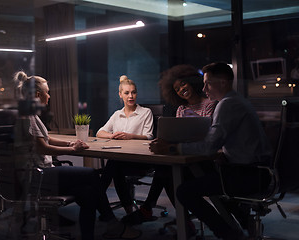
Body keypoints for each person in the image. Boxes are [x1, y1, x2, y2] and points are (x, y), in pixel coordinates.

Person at [149, 62, 272, 240]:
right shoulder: (236, 101)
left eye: (208, 83)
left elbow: (208, 146)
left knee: (184, 191)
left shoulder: (226, 105)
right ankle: (241, 220)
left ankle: (228, 233)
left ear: (222, 82)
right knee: (201, 175)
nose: (204, 88)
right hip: (257, 171)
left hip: (249, 175)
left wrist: (171, 147)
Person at [13, 71, 141, 240]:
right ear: (38, 94)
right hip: (37, 175)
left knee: (88, 192)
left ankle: (97, 232)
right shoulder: (27, 116)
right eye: (47, 92)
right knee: (90, 175)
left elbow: (46, 138)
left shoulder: (30, 113)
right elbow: (42, 147)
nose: (50, 96)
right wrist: (72, 150)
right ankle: (113, 224)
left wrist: (69, 143)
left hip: (42, 173)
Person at [122, 65, 217, 226]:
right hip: (183, 159)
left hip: (203, 160)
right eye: (177, 89)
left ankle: (150, 209)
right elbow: (178, 136)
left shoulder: (210, 104)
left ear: (191, 82)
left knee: (165, 173)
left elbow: (208, 136)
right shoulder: (180, 108)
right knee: (165, 171)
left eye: (183, 84)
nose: (181, 90)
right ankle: (181, 221)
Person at [97, 75, 154, 215]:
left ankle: (97, 197)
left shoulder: (145, 112)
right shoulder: (117, 114)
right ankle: (128, 209)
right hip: (121, 159)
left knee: (113, 166)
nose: (131, 96)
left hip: (139, 160)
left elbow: (149, 136)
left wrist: (131, 136)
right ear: (120, 94)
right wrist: (111, 135)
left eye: (133, 92)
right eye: (127, 93)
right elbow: (100, 132)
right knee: (115, 166)